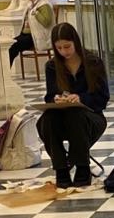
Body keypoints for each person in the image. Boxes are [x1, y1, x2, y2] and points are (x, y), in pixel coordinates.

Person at [39, 22, 109, 189]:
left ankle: (82, 167)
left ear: (75, 42)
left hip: (90, 117)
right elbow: (49, 96)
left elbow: (102, 98)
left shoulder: (93, 63)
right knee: (48, 118)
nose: (64, 51)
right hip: (61, 118)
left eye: (67, 46)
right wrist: (56, 99)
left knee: (75, 115)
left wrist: (81, 99)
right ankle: (61, 168)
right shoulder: (52, 66)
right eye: (59, 48)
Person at [8, 0, 53, 65]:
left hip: (36, 37)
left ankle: (7, 70)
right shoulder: (30, 5)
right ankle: (6, 69)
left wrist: (36, 13)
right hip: (26, 35)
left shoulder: (44, 5)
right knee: (9, 44)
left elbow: (46, 22)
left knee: (13, 46)